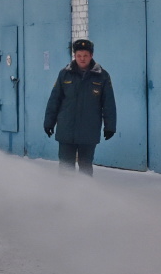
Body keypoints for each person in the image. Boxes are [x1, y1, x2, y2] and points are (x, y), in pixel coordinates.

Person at [44, 39, 116, 176]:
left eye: (85, 56)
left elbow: (108, 103)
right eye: (79, 56)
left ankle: (85, 195)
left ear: (91, 55)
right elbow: (54, 100)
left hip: (89, 130)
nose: (82, 59)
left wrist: (110, 126)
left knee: (85, 165)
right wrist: (49, 122)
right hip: (66, 129)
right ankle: (65, 195)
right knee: (65, 166)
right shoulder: (64, 74)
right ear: (74, 56)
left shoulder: (102, 76)